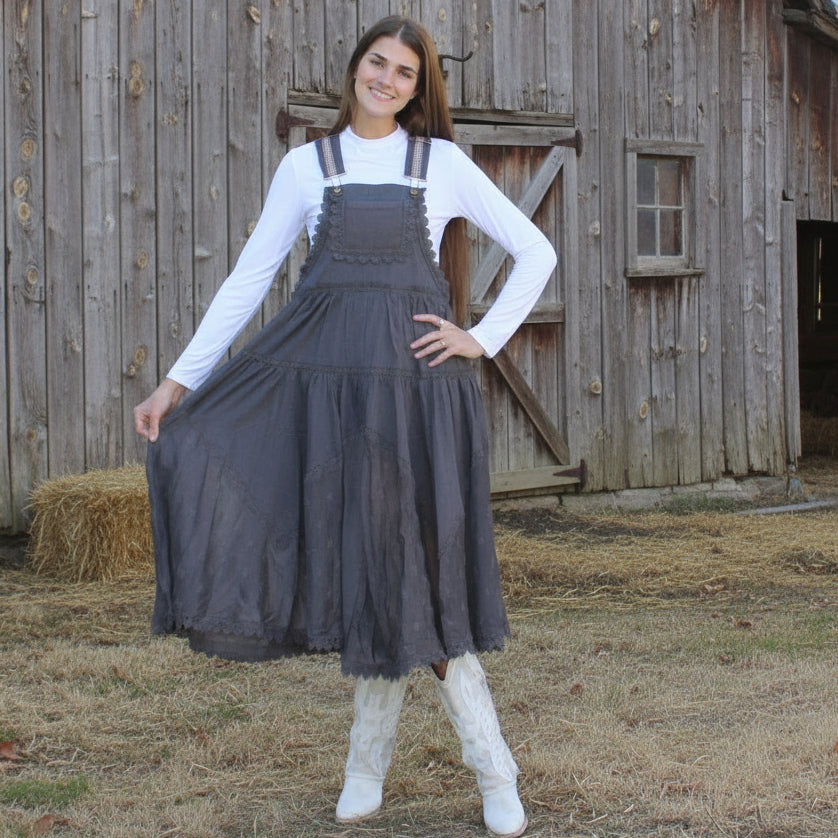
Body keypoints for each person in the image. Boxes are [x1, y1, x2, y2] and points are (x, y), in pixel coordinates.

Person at [134, 16, 555, 838]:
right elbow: (248, 280)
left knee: (422, 578)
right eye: (377, 63)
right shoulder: (307, 167)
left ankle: (492, 769)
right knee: (374, 571)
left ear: (417, 88)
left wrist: (481, 338)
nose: (386, 80)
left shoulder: (440, 164)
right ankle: (367, 767)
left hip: (419, 402)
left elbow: (536, 251)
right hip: (334, 407)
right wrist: (176, 384)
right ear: (354, 68)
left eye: (404, 72)